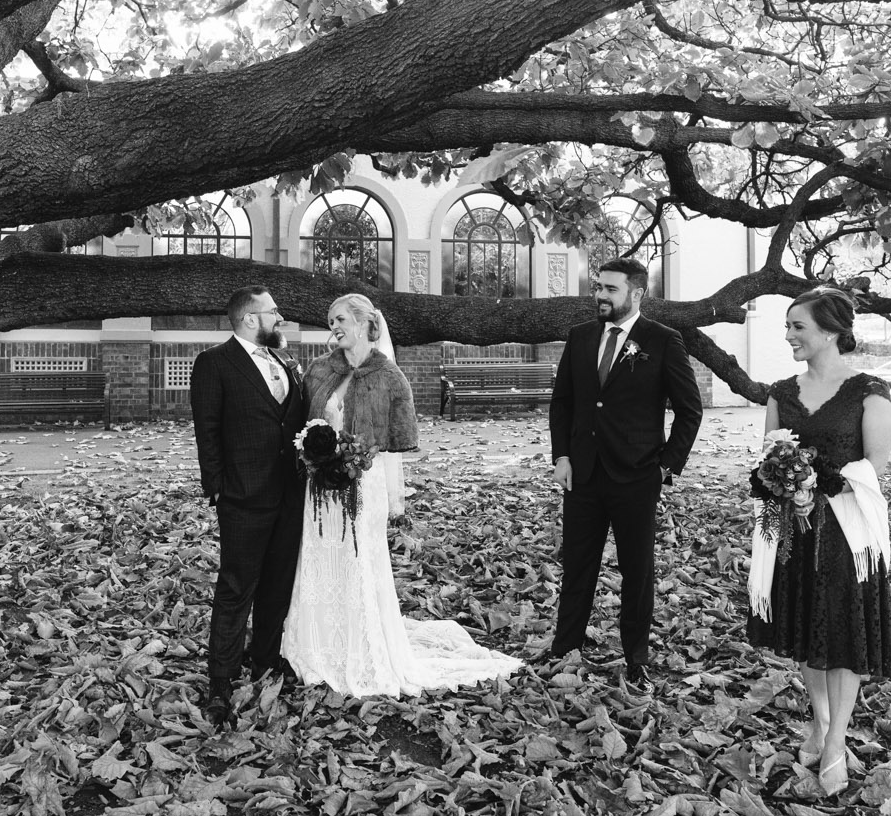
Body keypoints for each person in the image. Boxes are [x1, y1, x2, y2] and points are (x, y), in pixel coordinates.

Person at [281, 294, 522, 697]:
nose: (334, 327)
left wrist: (355, 449)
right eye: (330, 321)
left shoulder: (391, 377)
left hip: (364, 485)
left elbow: (401, 439)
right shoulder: (319, 371)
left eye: (340, 319)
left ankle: (362, 647)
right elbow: (302, 427)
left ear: (363, 323)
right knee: (319, 557)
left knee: (359, 561)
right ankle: (317, 643)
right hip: (319, 487)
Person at [746, 287, 891, 795]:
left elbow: (876, 462)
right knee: (810, 630)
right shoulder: (781, 393)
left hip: (846, 529)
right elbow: (768, 458)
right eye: (787, 327)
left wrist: (819, 484)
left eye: (798, 327)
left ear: (830, 332)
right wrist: (780, 483)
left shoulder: (869, 390)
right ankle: (818, 720)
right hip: (794, 531)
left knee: (842, 633)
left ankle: (836, 741)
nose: (789, 336)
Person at [547, 256, 704, 690]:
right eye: (599, 287)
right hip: (582, 474)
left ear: (636, 293)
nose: (600, 295)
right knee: (578, 565)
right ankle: (565, 647)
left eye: (610, 289)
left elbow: (690, 411)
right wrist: (562, 456)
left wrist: (667, 467)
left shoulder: (664, 340)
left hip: (637, 477)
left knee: (637, 572)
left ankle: (636, 658)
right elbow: (563, 403)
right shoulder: (580, 337)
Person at [190, 286, 308, 728]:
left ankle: (265, 661)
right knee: (236, 588)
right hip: (242, 497)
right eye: (273, 311)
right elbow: (208, 430)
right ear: (249, 319)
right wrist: (217, 489)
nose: (281, 317)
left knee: (278, 584)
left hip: (290, 496)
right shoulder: (214, 364)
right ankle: (220, 680)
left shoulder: (285, 361)